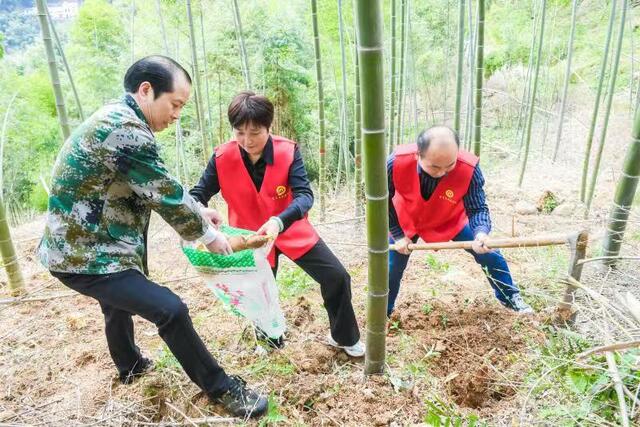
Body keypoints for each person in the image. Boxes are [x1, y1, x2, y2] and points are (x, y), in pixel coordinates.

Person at [37, 56, 267, 419]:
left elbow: (155, 182)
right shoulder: (126, 129)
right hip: (86, 255)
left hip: (84, 247)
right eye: (175, 104)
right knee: (170, 310)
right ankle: (222, 388)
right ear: (146, 91)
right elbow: (164, 192)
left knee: (117, 303)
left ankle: (130, 366)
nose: (177, 115)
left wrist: (198, 210)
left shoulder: (118, 117)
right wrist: (208, 235)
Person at [189, 91, 365, 357]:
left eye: (255, 132)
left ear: (269, 127)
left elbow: (305, 195)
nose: (247, 141)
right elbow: (197, 194)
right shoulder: (221, 158)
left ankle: (343, 337)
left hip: (290, 230)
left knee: (336, 276)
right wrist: (201, 210)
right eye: (239, 133)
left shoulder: (288, 151)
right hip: (250, 237)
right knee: (259, 292)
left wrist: (278, 221)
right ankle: (271, 342)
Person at [386, 125, 534, 316]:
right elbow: (382, 201)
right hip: (406, 219)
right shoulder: (395, 162)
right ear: (418, 155)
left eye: (449, 166)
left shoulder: (469, 168)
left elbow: (478, 207)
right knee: (391, 267)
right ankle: (384, 310)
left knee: (490, 254)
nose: (442, 173)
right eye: (434, 167)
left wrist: (481, 233)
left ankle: (510, 297)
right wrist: (398, 235)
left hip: (450, 217)